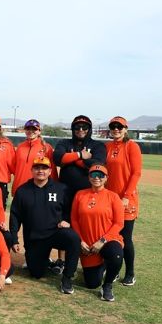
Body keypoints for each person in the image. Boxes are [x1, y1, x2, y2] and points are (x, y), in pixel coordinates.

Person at [9, 157, 81, 294]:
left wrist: (67, 220)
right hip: (35, 238)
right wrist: (14, 239)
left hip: (56, 233)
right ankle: (45, 260)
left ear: (50, 171)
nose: (40, 171)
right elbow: (15, 216)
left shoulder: (61, 189)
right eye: (37, 168)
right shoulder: (23, 191)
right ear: (32, 170)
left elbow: (71, 210)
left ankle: (67, 277)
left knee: (73, 239)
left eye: (44, 168)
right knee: (36, 273)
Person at [52, 115, 107, 273]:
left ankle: (95, 260)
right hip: (65, 192)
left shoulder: (97, 145)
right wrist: (80, 155)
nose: (81, 130)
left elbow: (98, 163)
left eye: (84, 127)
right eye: (77, 127)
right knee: (63, 223)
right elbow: (57, 158)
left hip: (88, 194)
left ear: (89, 129)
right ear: (72, 129)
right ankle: (61, 260)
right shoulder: (64, 143)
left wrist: (70, 159)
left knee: (88, 225)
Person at [71, 164, 124, 302]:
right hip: (88, 245)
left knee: (116, 254)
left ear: (106, 178)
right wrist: (80, 240)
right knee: (92, 283)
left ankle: (107, 286)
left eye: (101, 175)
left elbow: (119, 223)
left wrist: (102, 241)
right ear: (89, 177)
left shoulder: (113, 197)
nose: (97, 178)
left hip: (107, 240)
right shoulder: (80, 194)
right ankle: (103, 265)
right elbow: (74, 220)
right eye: (93, 175)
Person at [104, 116, 142, 287]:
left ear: (126, 129)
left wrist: (126, 196)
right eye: (113, 126)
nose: (116, 129)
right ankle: (113, 269)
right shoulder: (107, 146)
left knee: (125, 237)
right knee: (110, 235)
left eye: (119, 127)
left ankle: (130, 273)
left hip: (126, 200)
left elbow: (136, 173)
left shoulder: (132, 146)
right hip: (109, 199)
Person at [11, 119, 54, 196]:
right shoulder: (20, 147)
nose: (31, 131)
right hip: (19, 187)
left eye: (34, 129)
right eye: (28, 129)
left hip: (39, 188)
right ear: (25, 131)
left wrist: (53, 188)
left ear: (39, 131)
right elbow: (14, 168)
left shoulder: (46, 148)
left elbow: (52, 171)